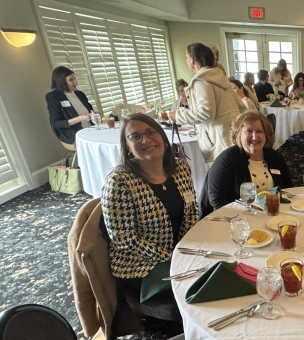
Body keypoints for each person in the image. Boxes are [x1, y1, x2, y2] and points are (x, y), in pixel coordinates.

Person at [101, 113, 198, 303]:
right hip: (141, 264)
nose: (146, 140)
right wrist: (171, 257)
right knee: (198, 288)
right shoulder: (119, 182)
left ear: (162, 136)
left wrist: (191, 250)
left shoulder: (180, 169)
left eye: (151, 132)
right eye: (135, 136)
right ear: (127, 146)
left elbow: (192, 212)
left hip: (180, 253)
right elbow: (124, 240)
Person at [199, 110, 293, 217]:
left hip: (273, 216)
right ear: (239, 134)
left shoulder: (275, 158)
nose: (254, 137)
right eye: (249, 131)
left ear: (266, 134)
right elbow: (216, 200)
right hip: (237, 219)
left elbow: (287, 190)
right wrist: (238, 219)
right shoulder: (226, 160)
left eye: (259, 131)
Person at [167, 43, 247, 162]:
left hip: (219, 141)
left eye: (186, 57)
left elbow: (206, 113)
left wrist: (178, 115)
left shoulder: (201, 81)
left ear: (192, 60)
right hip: (232, 136)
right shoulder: (220, 78)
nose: (186, 60)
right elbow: (241, 108)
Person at [45, 66, 95, 150]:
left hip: (91, 129)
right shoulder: (53, 96)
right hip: (74, 133)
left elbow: (90, 111)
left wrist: (94, 114)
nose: (75, 82)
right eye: (71, 79)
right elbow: (56, 123)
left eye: (75, 79)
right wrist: (80, 118)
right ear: (61, 81)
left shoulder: (80, 94)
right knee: (97, 144)